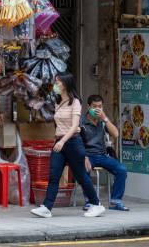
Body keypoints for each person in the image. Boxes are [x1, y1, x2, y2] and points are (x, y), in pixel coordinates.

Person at [31, 72, 105, 218]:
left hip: (72, 142)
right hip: (59, 142)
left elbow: (74, 126)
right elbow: (59, 123)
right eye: (56, 81)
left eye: (58, 82)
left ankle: (96, 204)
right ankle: (47, 207)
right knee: (54, 175)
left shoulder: (75, 101)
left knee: (81, 176)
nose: (56, 84)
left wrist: (63, 141)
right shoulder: (58, 101)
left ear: (66, 84)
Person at [81, 94, 129, 211]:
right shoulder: (81, 121)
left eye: (100, 106)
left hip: (102, 156)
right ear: (88, 107)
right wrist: (84, 157)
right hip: (87, 155)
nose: (97, 109)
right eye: (94, 106)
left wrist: (105, 118)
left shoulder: (103, 122)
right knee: (85, 168)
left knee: (122, 170)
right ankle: (89, 201)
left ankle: (115, 202)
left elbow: (116, 134)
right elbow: (77, 142)